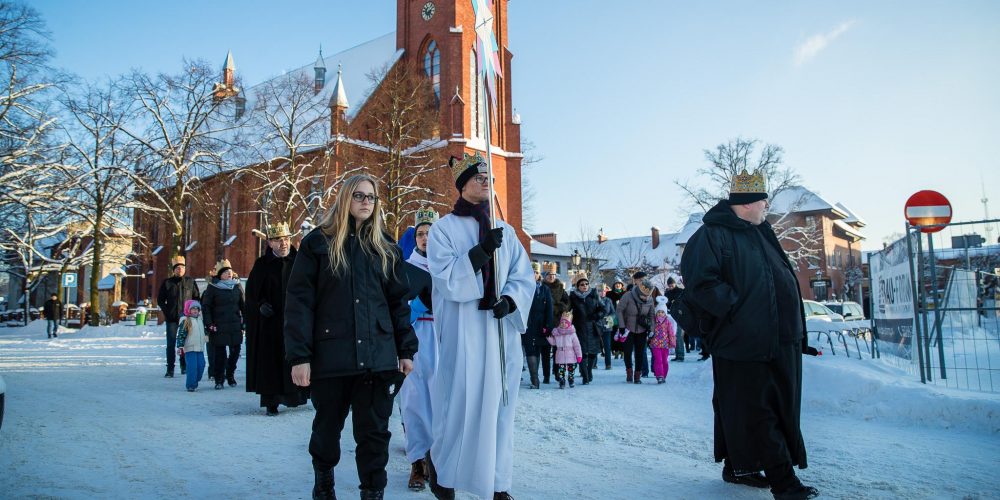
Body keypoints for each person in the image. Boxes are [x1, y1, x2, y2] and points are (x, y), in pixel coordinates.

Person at [680, 169, 820, 500]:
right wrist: (738, 310)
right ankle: (784, 484)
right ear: (745, 205)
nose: (767, 206)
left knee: (755, 407)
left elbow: (777, 279)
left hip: (779, 340)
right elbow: (701, 283)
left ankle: (737, 466)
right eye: (763, 201)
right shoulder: (712, 235)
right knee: (760, 411)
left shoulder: (761, 231)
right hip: (742, 341)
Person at [284, 174, 417, 500]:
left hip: (378, 357)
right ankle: (324, 485)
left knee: (374, 435)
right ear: (345, 198)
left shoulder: (386, 247)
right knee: (327, 430)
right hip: (332, 357)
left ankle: (373, 493)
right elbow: (299, 302)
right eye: (359, 195)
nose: (365, 202)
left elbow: (399, 303)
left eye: (371, 196)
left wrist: (406, 349)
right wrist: (300, 356)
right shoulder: (319, 243)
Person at [426, 153, 534, 500]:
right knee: (462, 402)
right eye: (479, 178)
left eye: (490, 179)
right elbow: (446, 279)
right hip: (466, 330)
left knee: (501, 408)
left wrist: (511, 301)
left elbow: (523, 275)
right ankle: (443, 471)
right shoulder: (444, 229)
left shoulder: (506, 229)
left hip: (499, 331)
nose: (487, 183)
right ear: (463, 184)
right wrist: (480, 252)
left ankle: (498, 482)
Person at [245, 222, 308, 416]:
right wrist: (260, 305)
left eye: (286, 239)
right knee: (271, 363)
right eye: (279, 240)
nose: (284, 244)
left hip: (295, 323)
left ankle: (297, 396)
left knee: (296, 358)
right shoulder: (261, 265)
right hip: (270, 325)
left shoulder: (300, 262)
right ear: (270, 243)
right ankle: (271, 401)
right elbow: (252, 294)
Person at [399, 206, 440, 491]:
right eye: (421, 234)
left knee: (442, 400)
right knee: (414, 401)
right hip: (416, 337)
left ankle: (437, 460)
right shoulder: (405, 267)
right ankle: (416, 462)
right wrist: (415, 305)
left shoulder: (448, 265)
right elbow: (395, 306)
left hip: (444, 336)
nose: (425, 239)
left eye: (431, 233)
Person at [202, 259, 246, 390]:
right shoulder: (213, 287)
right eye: (226, 272)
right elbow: (206, 307)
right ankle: (219, 378)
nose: (229, 274)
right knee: (220, 354)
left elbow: (244, 306)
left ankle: (230, 374)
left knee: (235, 352)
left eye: (230, 272)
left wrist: (246, 322)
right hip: (219, 325)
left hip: (234, 325)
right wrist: (209, 323)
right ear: (220, 274)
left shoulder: (237, 286)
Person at [157, 255, 200, 378]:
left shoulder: (190, 282)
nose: (180, 269)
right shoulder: (167, 283)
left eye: (182, 267)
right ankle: (170, 368)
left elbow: (196, 298)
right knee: (171, 343)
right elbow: (160, 300)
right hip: (172, 319)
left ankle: (184, 365)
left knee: (186, 343)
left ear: (185, 269)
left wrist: (194, 311)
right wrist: (167, 312)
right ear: (174, 270)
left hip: (186, 318)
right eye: (177, 268)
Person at [616, 279, 655, 384]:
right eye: (644, 296)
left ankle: (637, 375)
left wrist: (651, 330)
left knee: (640, 353)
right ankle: (629, 372)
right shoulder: (628, 296)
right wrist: (621, 326)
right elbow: (619, 310)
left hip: (642, 329)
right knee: (628, 352)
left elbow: (651, 316)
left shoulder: (650, 300)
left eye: (647, 296)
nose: (646, 298)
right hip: (628, 329)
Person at [522, 262, 553, 389]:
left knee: (538, 350)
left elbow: (549, 309)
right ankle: (534, 379)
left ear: (539, 274)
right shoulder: (524, 287)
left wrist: (548, 325)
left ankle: (537, 378)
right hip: (528, 324)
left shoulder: (544, 289)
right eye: (531, 272)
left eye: (536, 272)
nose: (534, 275)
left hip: (541, 324)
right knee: (530, 351)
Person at [568, 272, 602, 385]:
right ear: (578, 286)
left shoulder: (593, 294)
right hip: (579, 327)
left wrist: (597, 316)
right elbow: (568, 311)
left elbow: (603, 309)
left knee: (593, 353)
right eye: (582, 284)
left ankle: (589, 371)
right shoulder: (573, 297)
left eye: (586, 284)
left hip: (592, 327)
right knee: (582, 353)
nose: (584, 286)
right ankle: (585, 376)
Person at [540, 263, 570, 384]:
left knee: (558, 350)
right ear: (545, 276)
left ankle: (557, 373)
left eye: (553, 274)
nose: (551, 277)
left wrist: (559, 307)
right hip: (545, 323)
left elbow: (567, 303)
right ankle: (546, 375)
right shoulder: (541, 288)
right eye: (549, 275)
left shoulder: (560, 288)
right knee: (545, 351)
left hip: (558, 323)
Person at [175, 300, 207, 392]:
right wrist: (180, 346)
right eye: (193, 309)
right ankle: (191, 385)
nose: (195, 311)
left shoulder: (200, 320)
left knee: (201, 365)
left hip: (200, 348)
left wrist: (207, 336)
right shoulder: (186, 321)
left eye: (197, 309)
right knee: (192, 367)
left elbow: (203, 332)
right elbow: (181, 334)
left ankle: (194, 381)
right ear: (188, 310)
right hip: (190, 348)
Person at [547, 311, 582, 389]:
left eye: (565, 322)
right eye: (562, 322)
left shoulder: (572, 333)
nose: (563, 324)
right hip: (560, 354)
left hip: (571, 355)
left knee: (571, 369)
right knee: (561, 370)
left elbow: (577, 346)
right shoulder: (557, 333)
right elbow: (553, 342)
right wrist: (548, 336)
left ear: (569, 323)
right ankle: (562, 381)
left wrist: (579, 355)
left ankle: (571, 379)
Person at [648, 297, 676, 384]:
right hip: (655, 344)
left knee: (664, 360)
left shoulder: (668, 322)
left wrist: (672, 343)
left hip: (665, 344)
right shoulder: (653, 321)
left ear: (665, 313)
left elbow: (671, 333)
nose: (660, 314)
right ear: (656, 313)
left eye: (662, 312)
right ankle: (659, 376)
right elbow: (649, 329)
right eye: (659, 312)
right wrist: (649, 334)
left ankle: (664, 375)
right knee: (658, 360)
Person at [664, 277, 687, 362]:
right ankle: (677, 355)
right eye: (669, 285)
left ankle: (680, 355)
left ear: (675, 284)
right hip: (671, 315)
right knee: (673, 335)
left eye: (672, 285)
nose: (670, 287)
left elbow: (682, 302)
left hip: (680, 316)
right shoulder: (667, 293)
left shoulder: (680, 291)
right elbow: (666, 303)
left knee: (679, 335)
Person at [597, 286, 616, 369]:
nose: (603, 292)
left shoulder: (608, 300)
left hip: (607, 325)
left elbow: (613, 312)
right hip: (596, 325)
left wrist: (610, 318)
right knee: (596, 345)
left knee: (607, 346)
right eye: (601, 291)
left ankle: (608, 364)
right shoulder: (595, 300)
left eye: (604, 291)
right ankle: (593, 364)